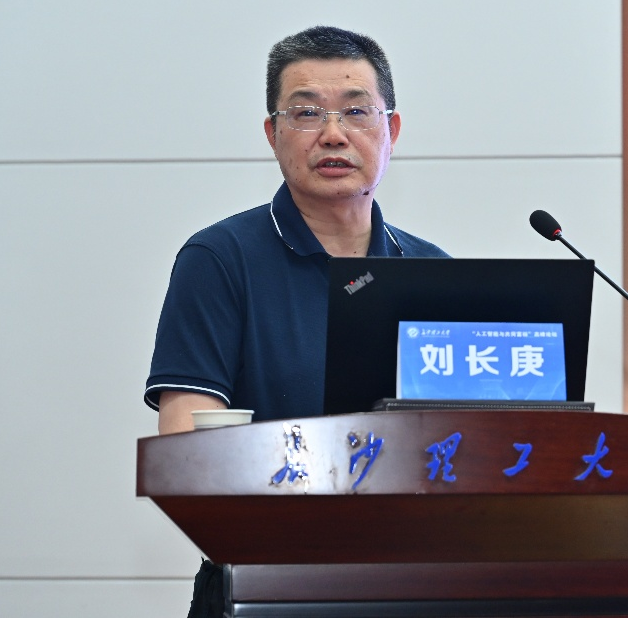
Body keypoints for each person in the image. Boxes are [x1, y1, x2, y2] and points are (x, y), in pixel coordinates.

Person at [144, 26, 449, 434]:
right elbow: (187, 443)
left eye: (356, 112)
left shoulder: (432, 269)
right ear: (273, 135)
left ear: (391, 132)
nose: (333, 136)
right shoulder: (219, 260)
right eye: (307, 114)